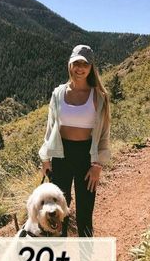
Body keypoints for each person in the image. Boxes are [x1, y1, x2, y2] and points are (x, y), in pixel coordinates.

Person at [39, 45, 110, 237]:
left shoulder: (99, 96)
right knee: (58, 211)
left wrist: (97, 165)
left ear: (91, 67)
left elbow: (104, 133)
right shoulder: (59, 94)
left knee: (85, 212)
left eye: (84, 64)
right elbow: (51, 127)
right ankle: (60, 259)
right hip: (61, 155)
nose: (80, 68)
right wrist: (45, 159)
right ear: (70, 64)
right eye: (76, 63)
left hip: (87, 157)